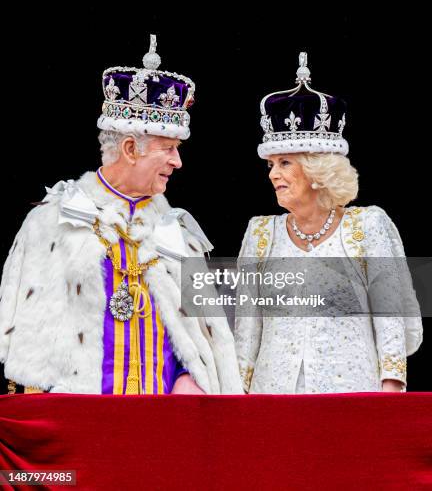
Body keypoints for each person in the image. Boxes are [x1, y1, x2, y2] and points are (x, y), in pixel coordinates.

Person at [0, 35, 242, 395]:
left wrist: (190, 379)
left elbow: (198, 336)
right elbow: (27, 342)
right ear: (130, 148)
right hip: (81, 422)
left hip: (164, 425)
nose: (178, 162)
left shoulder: (177, 232)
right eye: (169, 149)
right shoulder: (52, 221)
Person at [235, 52, 423, 394]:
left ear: (318, 171)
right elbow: (246, 329)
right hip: (273, 400)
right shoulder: (260, 234)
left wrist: (391, 391)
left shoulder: (367, 226)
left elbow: (390, 317)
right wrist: (238, 398)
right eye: (271, 165)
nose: (274, 174)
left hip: (352, 399)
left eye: (285, 163)